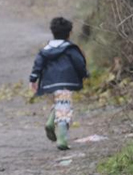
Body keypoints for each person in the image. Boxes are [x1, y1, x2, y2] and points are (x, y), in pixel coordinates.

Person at [28, 16, 88, 150]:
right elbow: (79, 63)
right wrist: (84, 74)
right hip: (66, 82)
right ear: (69, 33)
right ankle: (62, 139)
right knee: (65, 109)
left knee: (60, 104)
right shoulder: (71, 48)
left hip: (49, 84)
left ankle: (50, 122)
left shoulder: (45, 49)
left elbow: (38, 65)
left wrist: (33, 79)